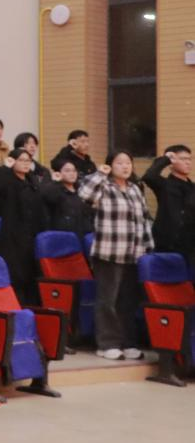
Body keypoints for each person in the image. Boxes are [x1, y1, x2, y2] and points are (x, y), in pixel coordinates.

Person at [79, 152, 154, 361]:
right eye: (119, 163)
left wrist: (148, 249)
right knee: (107, 301)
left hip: (133, 253)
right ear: (110, 165)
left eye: (128, 162)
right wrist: (100, 174)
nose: (125, 166)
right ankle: (107, 344)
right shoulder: (104, 185)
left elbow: (144, 220)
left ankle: (128, 342)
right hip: (109, 252)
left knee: (128, 302)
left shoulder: (134, 189)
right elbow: (85, 195)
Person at [0, 149, 46, 305]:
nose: (25, 163)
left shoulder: (32, 181)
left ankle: (33, 310)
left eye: (28, 160)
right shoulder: (8, 179)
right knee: (17, 275)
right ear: (13, 161)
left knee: (32, 275)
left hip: (31, 234)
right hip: (13, 236)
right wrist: (5, 167)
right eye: (21, 160)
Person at [142, 145, 195, 264]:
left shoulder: (192, 188)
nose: (188, 162)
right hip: (167, 246)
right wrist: (165, 159)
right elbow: (149, 177)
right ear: (171, 163)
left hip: (190, 247)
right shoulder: (164, 185)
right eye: (183, 159)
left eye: (189, 159)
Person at [41, 158, 92, 235]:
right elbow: (48, 197)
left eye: (74, 170)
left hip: (81, 234)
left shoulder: (80, 191)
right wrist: (55, 182)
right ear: (58, 173)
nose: (72, 173)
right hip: (62, 235)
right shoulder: (55, 189)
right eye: (67, 171)